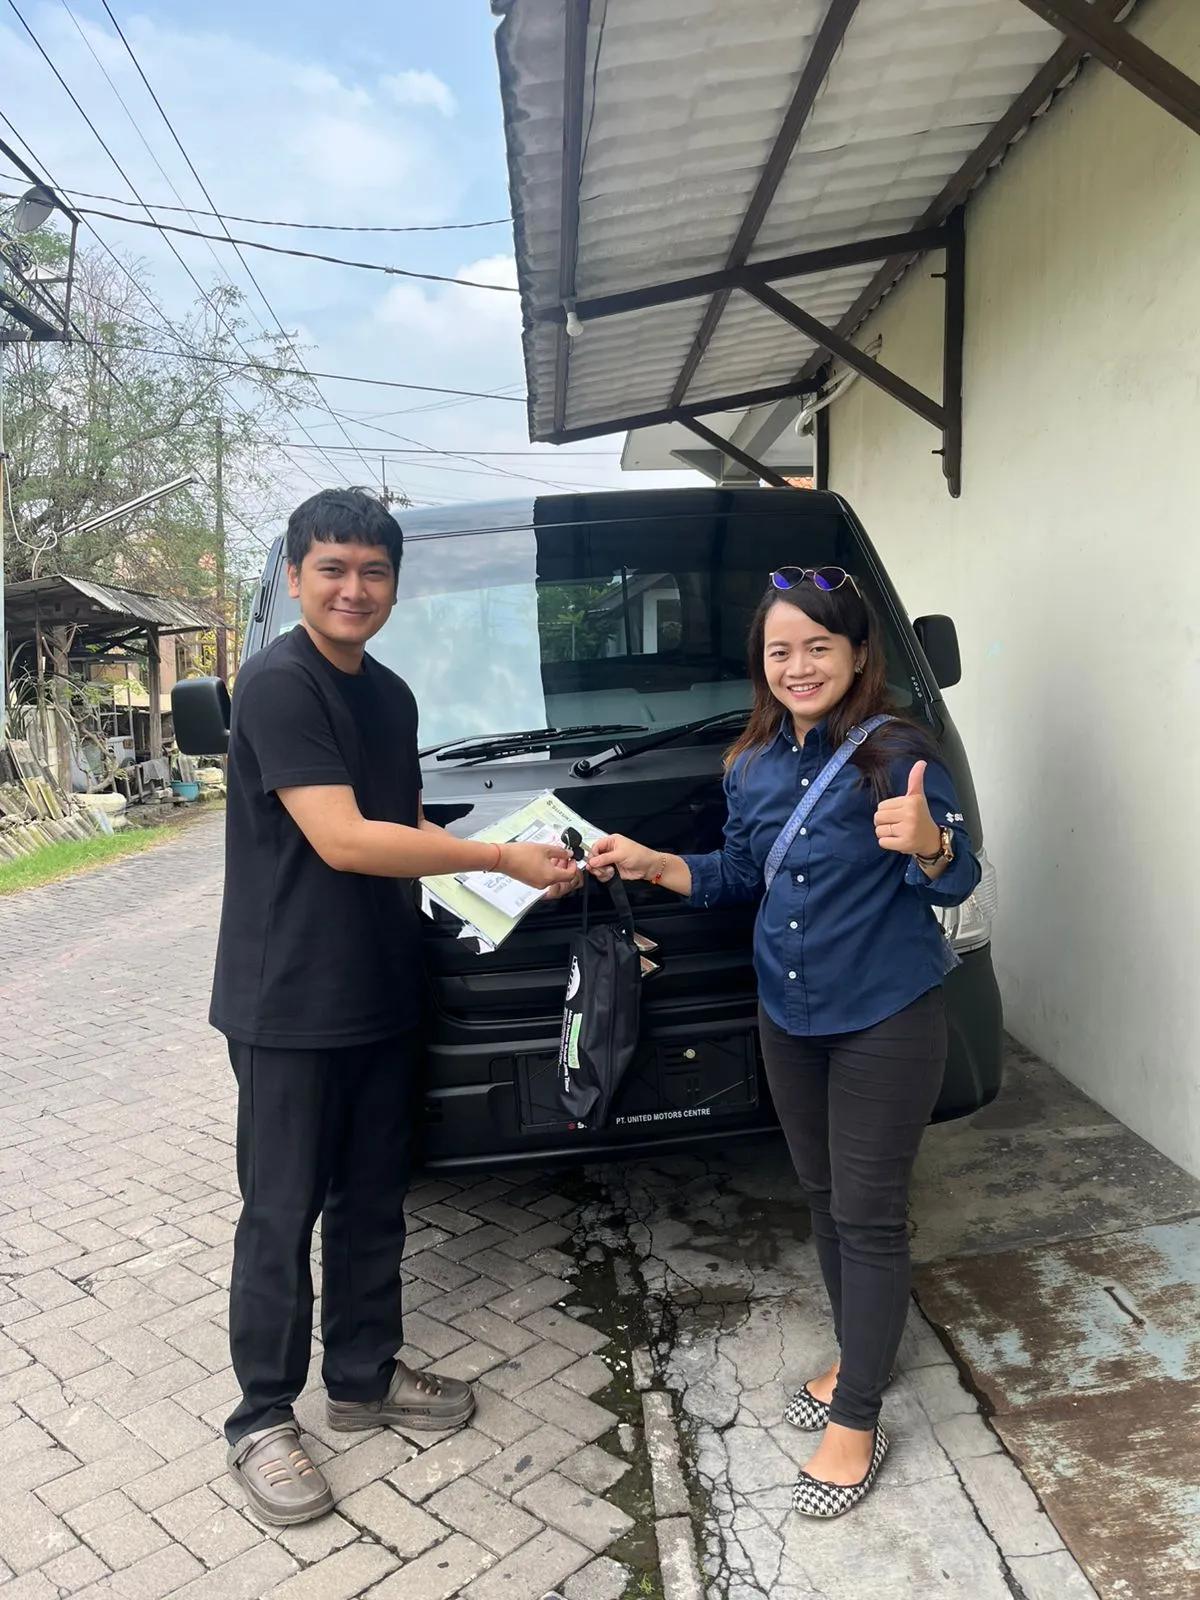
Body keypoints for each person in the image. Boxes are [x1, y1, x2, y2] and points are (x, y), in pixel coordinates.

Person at [210, 488, 579, 1526]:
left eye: (374, 571)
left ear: (394, 584)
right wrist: (495, 855)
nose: (354, 589)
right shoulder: (277, 684)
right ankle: (260, 1418)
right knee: (280, 1210)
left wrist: (508, 875)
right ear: (295, 576)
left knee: (374, 1199)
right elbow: (342, 839)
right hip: (288, 1001)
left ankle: (363, 1378)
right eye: (332, 568)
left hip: (381, 985)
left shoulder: (391, 694)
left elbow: (403, 821)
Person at [587, 566, 980, 1519]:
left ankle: (858, 1415)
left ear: (857, 653)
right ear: (761, 663)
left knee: (871, 1215)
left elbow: (958, 878)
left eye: (818, 647)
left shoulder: (898, 752)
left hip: (885, 1016)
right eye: (780, 651)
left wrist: (930, 844)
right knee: (824, 1197)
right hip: (789, 1016)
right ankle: (860, 1352)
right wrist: (652, 862)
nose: (799, 666)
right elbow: (737, 876)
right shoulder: (753, 763)